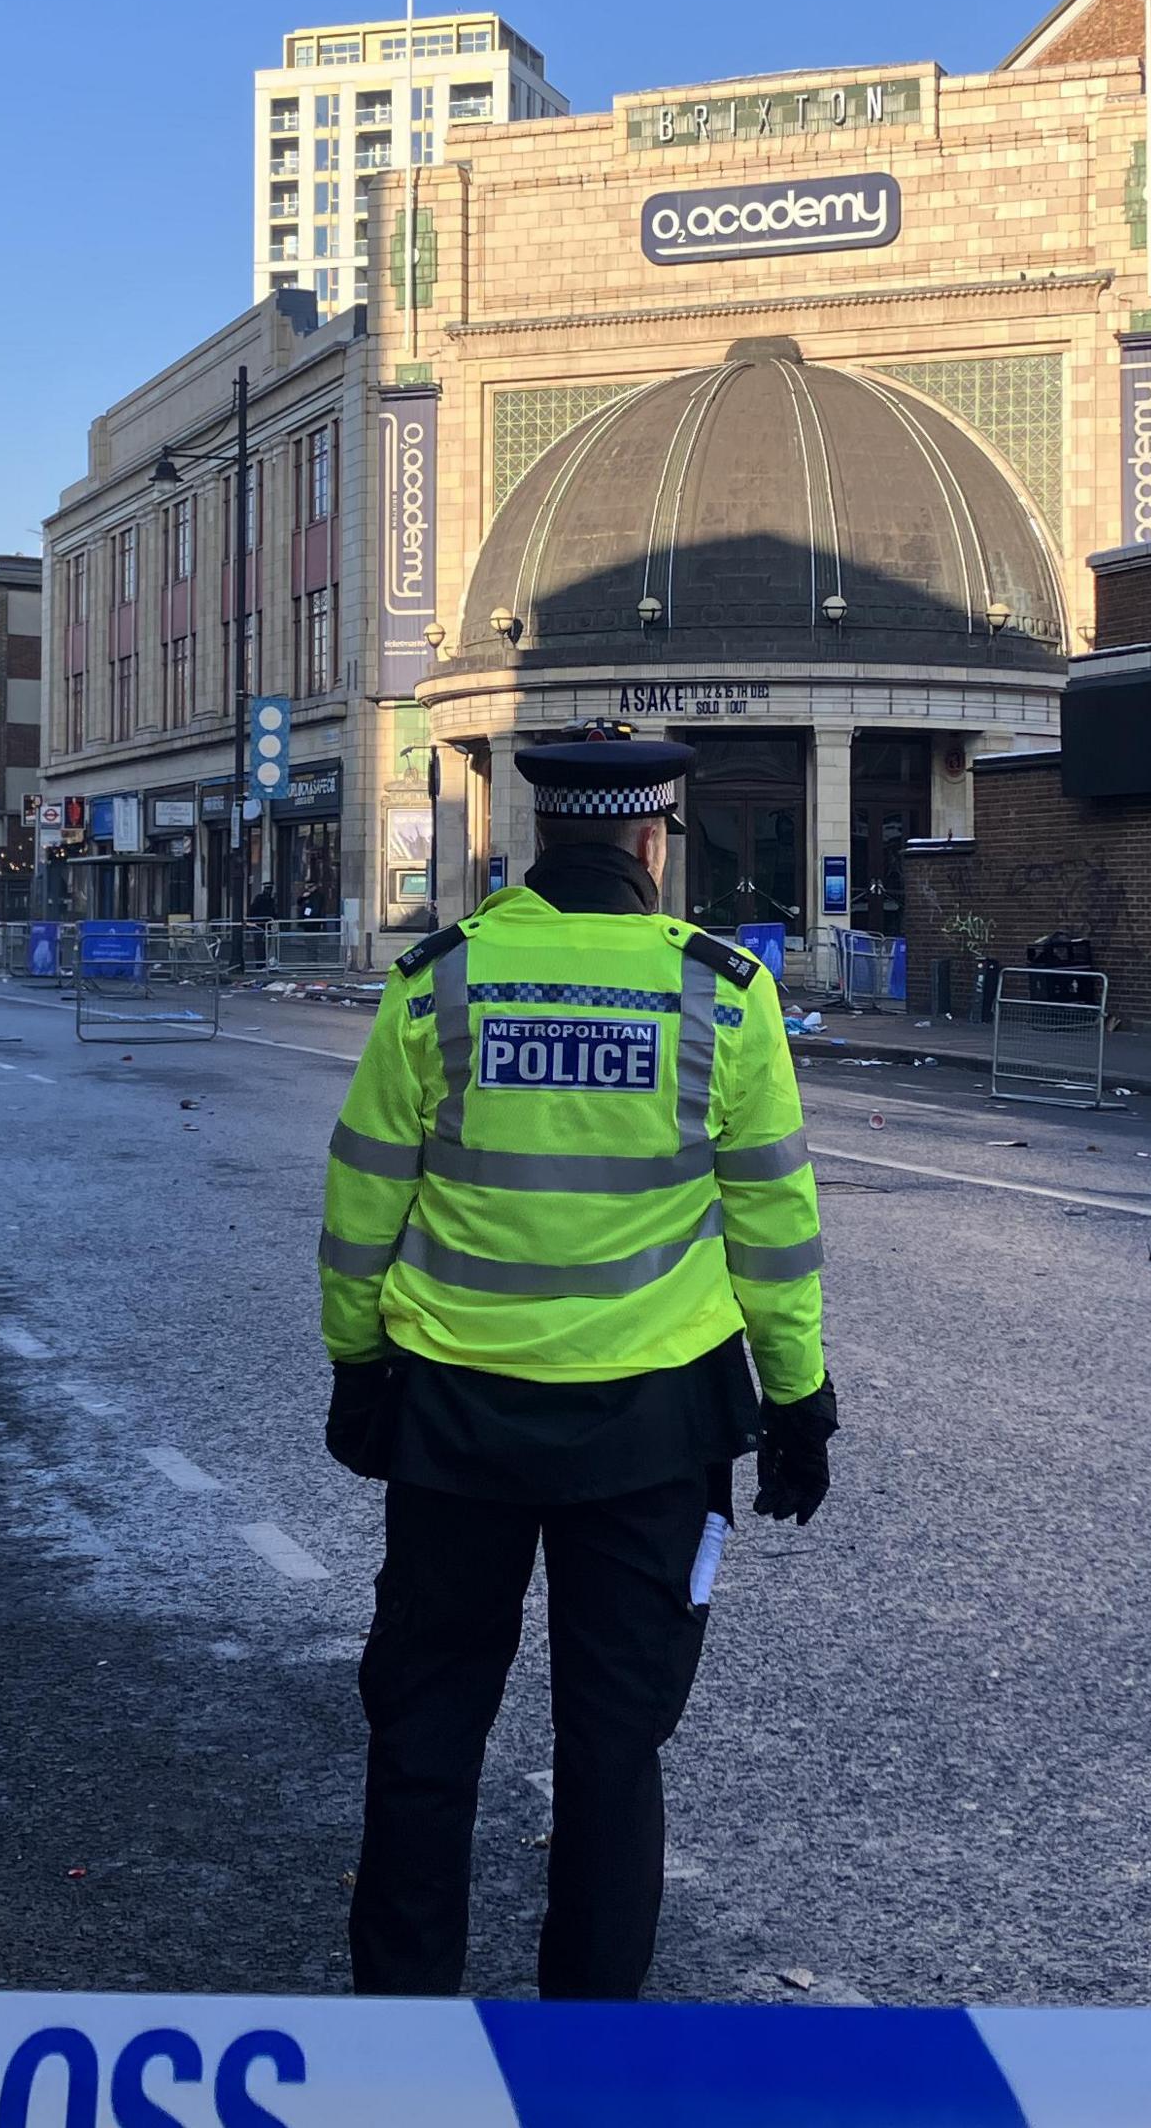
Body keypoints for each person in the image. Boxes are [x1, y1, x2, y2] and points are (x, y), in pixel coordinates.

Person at [316, 726, 832, 2001]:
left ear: (541, 837)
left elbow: (365, 1197)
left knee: (426, 1730)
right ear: (655, 839)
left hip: (455, 1418)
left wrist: (356, 1363)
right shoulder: (722, 991)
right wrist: (800, 1400)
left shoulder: (441, 979)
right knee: (614, 1748)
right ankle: (589, 2046)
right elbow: (772, 1224)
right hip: (655, 1435)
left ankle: (400, 2034)